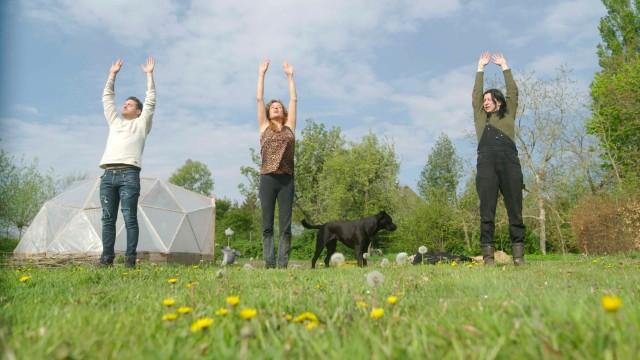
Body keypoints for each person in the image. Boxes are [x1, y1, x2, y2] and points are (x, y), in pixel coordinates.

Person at [98, 57, 156, 267]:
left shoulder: (142, 124)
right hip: (107, 175)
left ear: (138, 111)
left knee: (129, 217)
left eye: (129, 104)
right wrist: (112, 75)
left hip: (129, 175)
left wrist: (149, 75)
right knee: (107, 219)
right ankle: (106, 259)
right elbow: (107, 98)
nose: (125, 105)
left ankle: (130, 260)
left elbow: (150, 100)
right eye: (124, 103)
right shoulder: (114, 122)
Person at [472, 52, 525, 266]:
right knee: (487, 211)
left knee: (515, 210)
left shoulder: (509, 113)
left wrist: (505, 66)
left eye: (488, 100)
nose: (484, 103)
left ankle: (519, 257)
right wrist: (480, 68)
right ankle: (488, 258)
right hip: (486, 164)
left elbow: (513, 91)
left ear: (498, 102)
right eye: (483, 100)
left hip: (510, 163)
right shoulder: (480, 117)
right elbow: (475, 95)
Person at [256, 59, 297, 268]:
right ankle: (269, 264)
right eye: (272, 107)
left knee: (286, 226)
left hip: (287, 180)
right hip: (268, 179)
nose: (276, 108)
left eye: (279, 107)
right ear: (268, 111)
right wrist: (261, 74)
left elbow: (294, 99)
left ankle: (282, 265)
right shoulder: (264, 126)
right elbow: (258, 98)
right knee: (267, 226)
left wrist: (290, 77)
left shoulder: (290, 127)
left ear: (283, 112)